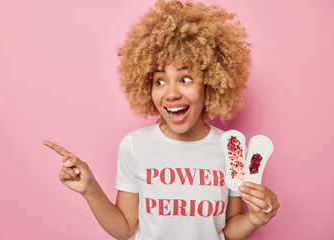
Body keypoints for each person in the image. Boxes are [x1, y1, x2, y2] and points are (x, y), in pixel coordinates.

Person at [44, 0, 279, 239]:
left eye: (185, 79)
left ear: (210, 83)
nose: (171, 93)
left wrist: (254, 219)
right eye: (160, 81)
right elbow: (124, 229)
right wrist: (89, 189)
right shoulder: (134, 145)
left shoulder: (232, 149)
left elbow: (228, 231)